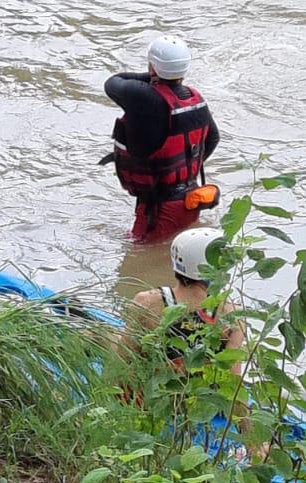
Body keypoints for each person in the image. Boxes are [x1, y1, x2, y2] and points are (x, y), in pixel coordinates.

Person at [104, 33, 219, 242]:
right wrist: (180, 171)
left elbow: (112, 83)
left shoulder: (145, 98)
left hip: (159, 209)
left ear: (153, 66)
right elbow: (213, 139)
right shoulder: (196, 99)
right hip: (191, 199)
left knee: (139, 262)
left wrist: (153, 75)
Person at [130, 227, 246, 368]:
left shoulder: (146, 301)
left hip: (155, 386)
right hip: (203, 388)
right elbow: (233, 376)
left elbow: (125, 358)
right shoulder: (233, 314)